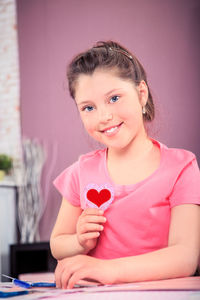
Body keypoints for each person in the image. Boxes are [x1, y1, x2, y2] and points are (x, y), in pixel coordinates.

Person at [50, 40, 200, 289]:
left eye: (114, 98)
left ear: (142, 94)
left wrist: (108, 269)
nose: (103, 116)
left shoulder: (182, 167)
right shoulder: (80, 172)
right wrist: (79, 242)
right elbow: (57, 244)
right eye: (88, 107)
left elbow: (185, 256)